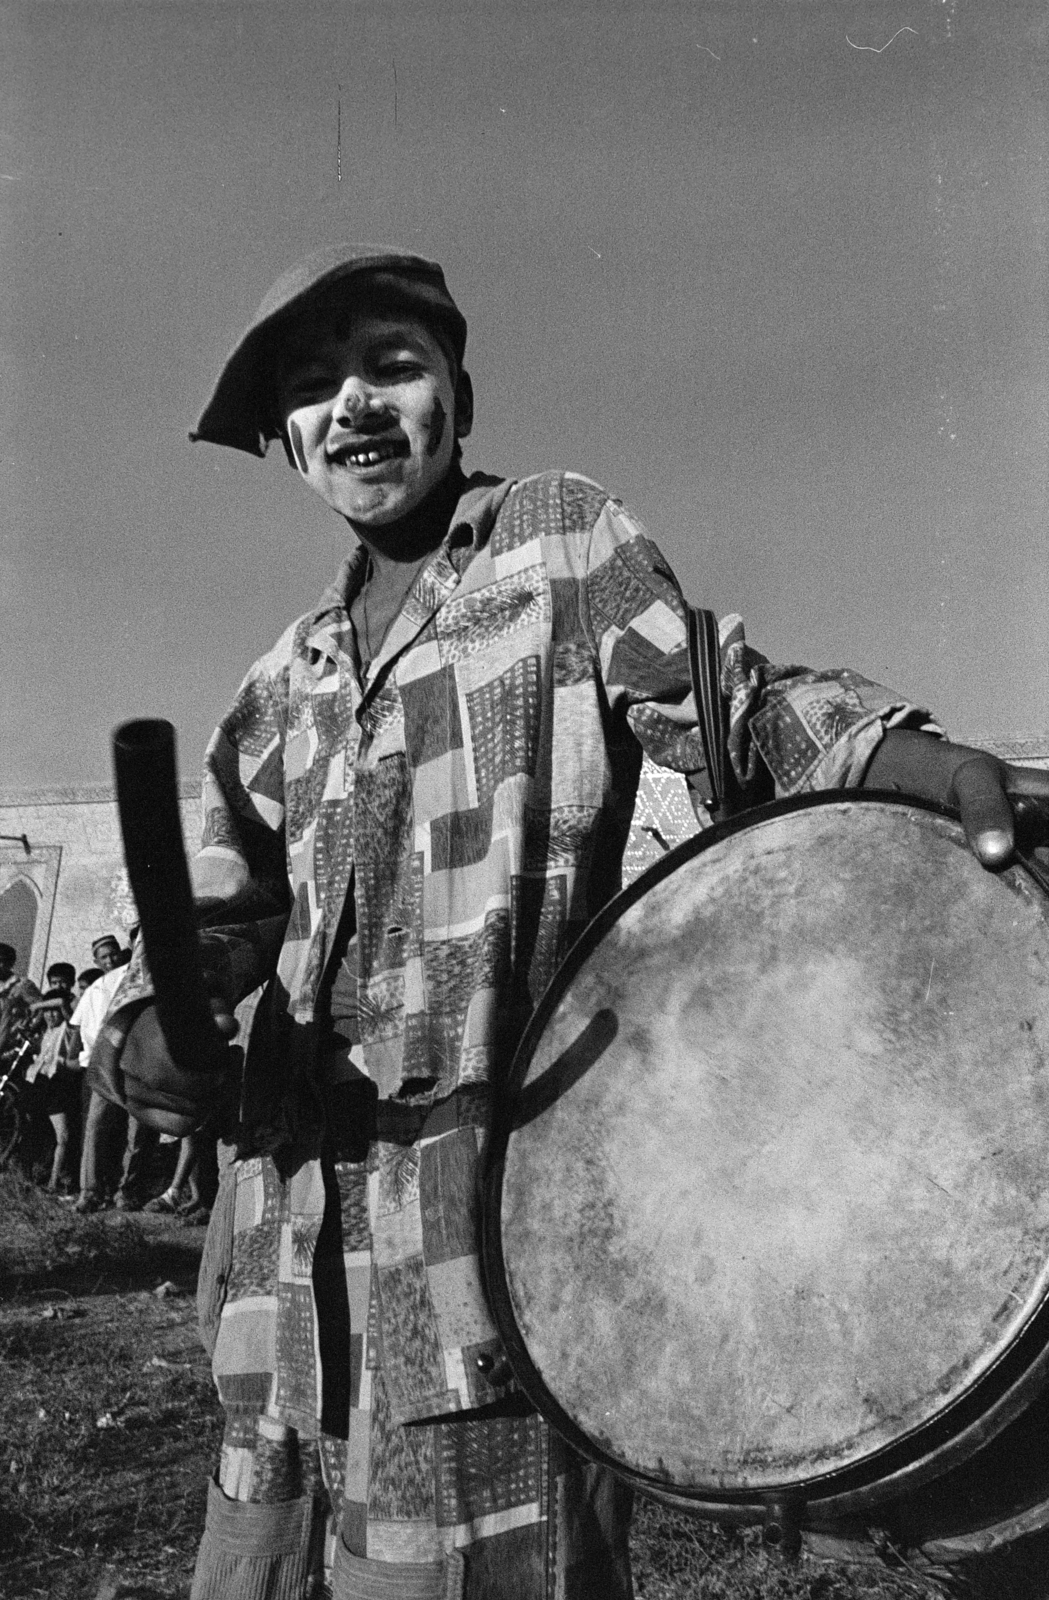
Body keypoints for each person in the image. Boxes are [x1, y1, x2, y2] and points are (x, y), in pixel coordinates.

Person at [90, 246, 1049, 1600]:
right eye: (312, 388)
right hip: (274, 1297)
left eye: (392, 366)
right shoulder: (275, 688)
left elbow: (732, 707)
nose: (354, 404)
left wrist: (917, 765)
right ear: (282, 439)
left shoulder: (555, 545)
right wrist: (151, 1042)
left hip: (479, 1280)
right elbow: (209, 934)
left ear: (457, 400)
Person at [71, 930, 151, 1212]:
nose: (110, 959)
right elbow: (83, 1031)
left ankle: (126, 1191)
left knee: (136, 1130)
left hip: (138, 1063)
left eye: (112, 953)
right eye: (103, 957)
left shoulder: (144, 979)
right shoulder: (96, 989)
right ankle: (89, 1192)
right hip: (103, 1064)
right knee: (95, 1128)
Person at [25, 989, 79, 1192]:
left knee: (62, 1136)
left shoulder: (67, 1026)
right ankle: (38, 1174)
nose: (51, 1015)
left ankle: (53, 1182)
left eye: (53, 1011)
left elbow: (64, 1004)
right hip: (41, 1083)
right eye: (47, 1012)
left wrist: (39, 1005)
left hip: (58, 1085)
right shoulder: (46, 1031)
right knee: (36, 1131)